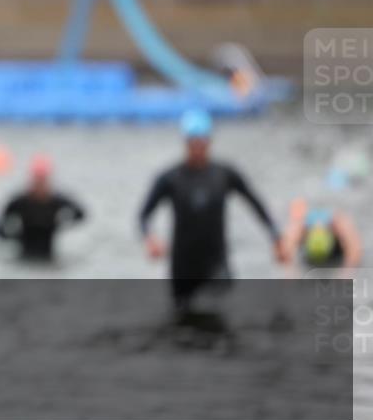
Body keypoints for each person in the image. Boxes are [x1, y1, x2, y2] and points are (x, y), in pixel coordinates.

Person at [138, 109, 288, 314]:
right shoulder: (170, 178)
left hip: (216, 263)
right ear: (185, 142)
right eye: (193, 142)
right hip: (182, 266)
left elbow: (256, 204)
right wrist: (150, 239)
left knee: (219, 318)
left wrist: (276, 238)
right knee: (182, 323)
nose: (197, 148)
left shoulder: (225, 174)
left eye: (201, 142)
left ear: (209, 142)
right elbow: (144, 215)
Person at [0, 155, 85, 261]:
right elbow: (1, 223)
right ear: (32, 180)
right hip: (24, 256)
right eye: (37, 180)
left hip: (48, 256)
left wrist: (62, 221)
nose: (40, 184)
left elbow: (80, 214)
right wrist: (10, 234)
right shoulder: (20, 202)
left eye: (43, 180)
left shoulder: (57, 201)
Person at [281, 196, 362, 273]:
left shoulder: (337, 223)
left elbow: (355, 250)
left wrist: (347, 272)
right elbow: (286, 252)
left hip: (336, 237)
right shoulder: (301, 226)